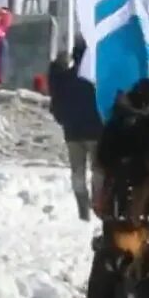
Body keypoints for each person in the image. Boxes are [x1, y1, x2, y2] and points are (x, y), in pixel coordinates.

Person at [48, 43, 102, 221]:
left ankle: (83, 211)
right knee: (98, 172)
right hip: (96, 132)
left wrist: (65, 121)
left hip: (72, 134)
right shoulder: (96, 79)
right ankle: (98, 207)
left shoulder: (65, 79)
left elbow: (56, 106)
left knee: (77, 173)